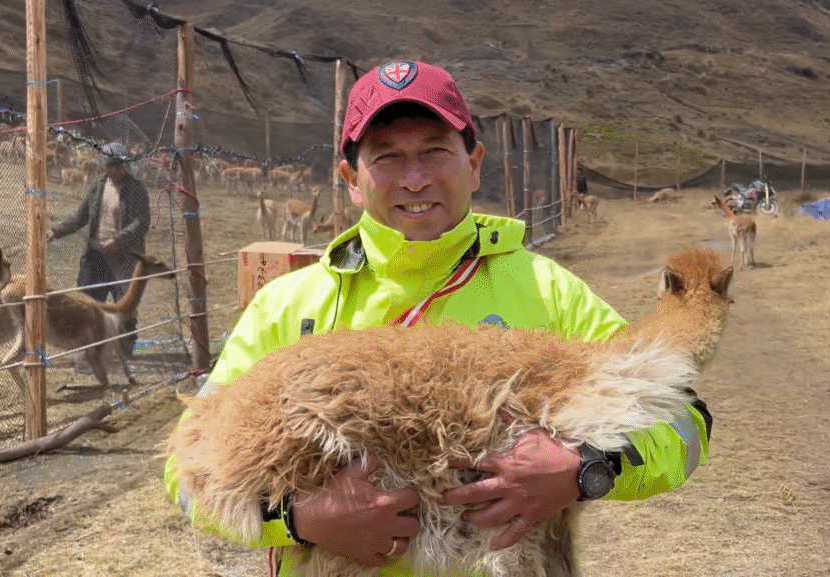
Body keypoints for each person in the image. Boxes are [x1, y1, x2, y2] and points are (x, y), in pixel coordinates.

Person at [163, 60, 711, 576]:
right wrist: (300, 520)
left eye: (435, 151)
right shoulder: (287, 307)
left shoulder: (549, 292)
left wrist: (586, 470)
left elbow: (684, 422)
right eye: (387, 157)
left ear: (473, 164)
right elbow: (189, 474)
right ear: (351, 178)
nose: (416, 179)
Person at [47, 141, 151, 358]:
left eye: (118, 166)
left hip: (124, 257)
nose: (114, 170)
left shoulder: (137, 190)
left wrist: (119, 240)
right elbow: (81, 216)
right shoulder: (98, 186)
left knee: (125, 304)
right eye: (110, 166)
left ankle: (125, 351)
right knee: (88, 302)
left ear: (125, 166)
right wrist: (56, 231)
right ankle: (90, 350)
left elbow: (141, 222)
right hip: (96, 255)